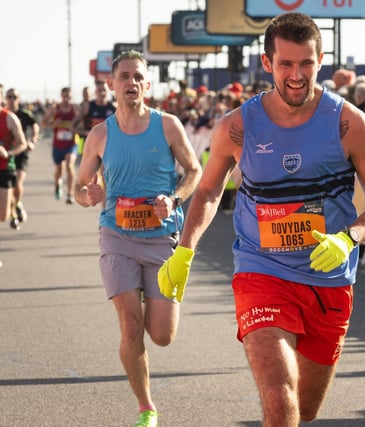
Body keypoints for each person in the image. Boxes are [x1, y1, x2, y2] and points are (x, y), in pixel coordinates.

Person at [157, 12, 365, 426]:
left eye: (306, 63)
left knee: (304, 410)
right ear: (267, 64)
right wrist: (185, 250)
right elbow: (210, 189)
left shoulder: (348, 123)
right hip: (261, 271)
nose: (297, 75)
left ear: (322, 60)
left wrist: (348, 238)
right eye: (286, 64)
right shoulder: (237, 126)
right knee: (279, 399)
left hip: (329, 281)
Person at [73, 50, 202, 427]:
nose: (131, 82)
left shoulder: (169, 126)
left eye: (137, 77)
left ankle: (154, 294)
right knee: (130, 327)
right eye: (123, 76)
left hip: (162, 238)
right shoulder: (99, 135)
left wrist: (174, 197)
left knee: (161, 335)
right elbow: (80, 187)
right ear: (111, 85)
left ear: (147, 84)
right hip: (117, 236)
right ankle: (147, 407)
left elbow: (194, 171)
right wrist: (87, 195)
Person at [5, 88, 40, 229]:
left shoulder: (24, 114)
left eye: (15, 97)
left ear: (19, 99)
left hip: (21, 151)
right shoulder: (4, 115)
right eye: (9, 97)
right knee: (9, 186)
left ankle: (17, 203)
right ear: (5, 99)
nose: (12, 99)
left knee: (18, 182)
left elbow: (35, 126)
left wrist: (33, 140)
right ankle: (13, 214)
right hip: (6, 153)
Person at [41, 87, 80, 204]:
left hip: (72, 143)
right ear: (61, 96)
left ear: (71, 97)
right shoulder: (54, 109)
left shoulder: (76, 109)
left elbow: (83, 123)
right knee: (58, 170)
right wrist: (53, 124)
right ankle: (58, 184)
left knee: (69, 164)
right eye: (64, 96)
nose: (66, 99)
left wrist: (75, 126)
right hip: (58, 145)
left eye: (69, 96)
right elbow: (43, 123)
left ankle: (70, 194)